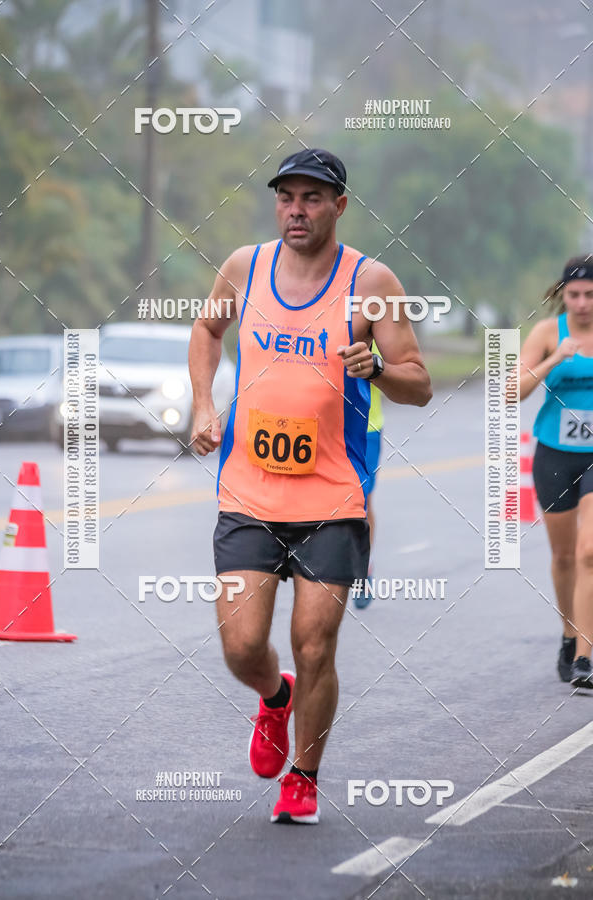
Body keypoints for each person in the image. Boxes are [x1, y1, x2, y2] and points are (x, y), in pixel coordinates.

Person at [189, 148, 432, 824]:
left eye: (313, 198)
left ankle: (304, 774)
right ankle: (273, 698)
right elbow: (208, 328)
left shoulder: (371, 280)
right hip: (247, 490)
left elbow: (420, 382)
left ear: (339, 206)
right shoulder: (246, 266)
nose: (297, 209)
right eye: (287, 197)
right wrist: (204, 404)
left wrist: (378, 364)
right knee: (241, 645)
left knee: (316, 642)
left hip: (331, 498)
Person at [519, 256, 593, 689]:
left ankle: (585, 655)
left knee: (588, 551)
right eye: (574, 295)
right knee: (565, 557)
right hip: (554, 454)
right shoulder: (549, 333)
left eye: (589, 295)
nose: (582, 304)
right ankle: (569, 635)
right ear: (562, 293)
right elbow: (513, 391)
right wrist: (555, 359)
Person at [354, 343, 383, 610]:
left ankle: (364, 568)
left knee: (361, 502)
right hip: (323, 425)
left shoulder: (371, 317)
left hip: (367, 428)